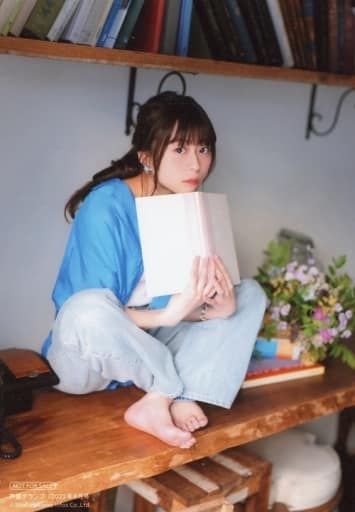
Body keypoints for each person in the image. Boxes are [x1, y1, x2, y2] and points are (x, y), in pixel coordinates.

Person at [42, 91, 267, 449]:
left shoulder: (189, 206)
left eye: (204, 148)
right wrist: (170, 314)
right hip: (87, 361)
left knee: (250, 294)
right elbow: (92, 316)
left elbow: (182, 308)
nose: (196, 165)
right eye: (180, 150)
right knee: (84, 310)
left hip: (146, 352)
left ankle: (159, 398)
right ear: (146, 157)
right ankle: (172, 390)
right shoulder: (106, 206)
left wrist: (215, 311)